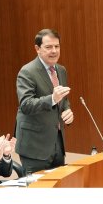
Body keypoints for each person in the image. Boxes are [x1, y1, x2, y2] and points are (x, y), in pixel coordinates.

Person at [15, 28, 74, 174]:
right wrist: (52, 98)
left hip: (57, 143)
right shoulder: (27, 72)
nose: (54, 51)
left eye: (57, 46)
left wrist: (67, 110)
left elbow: (63, 99)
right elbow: (26, 105)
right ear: (37, 49)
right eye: (48, 47)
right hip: (34, 145)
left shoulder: (61, 70)